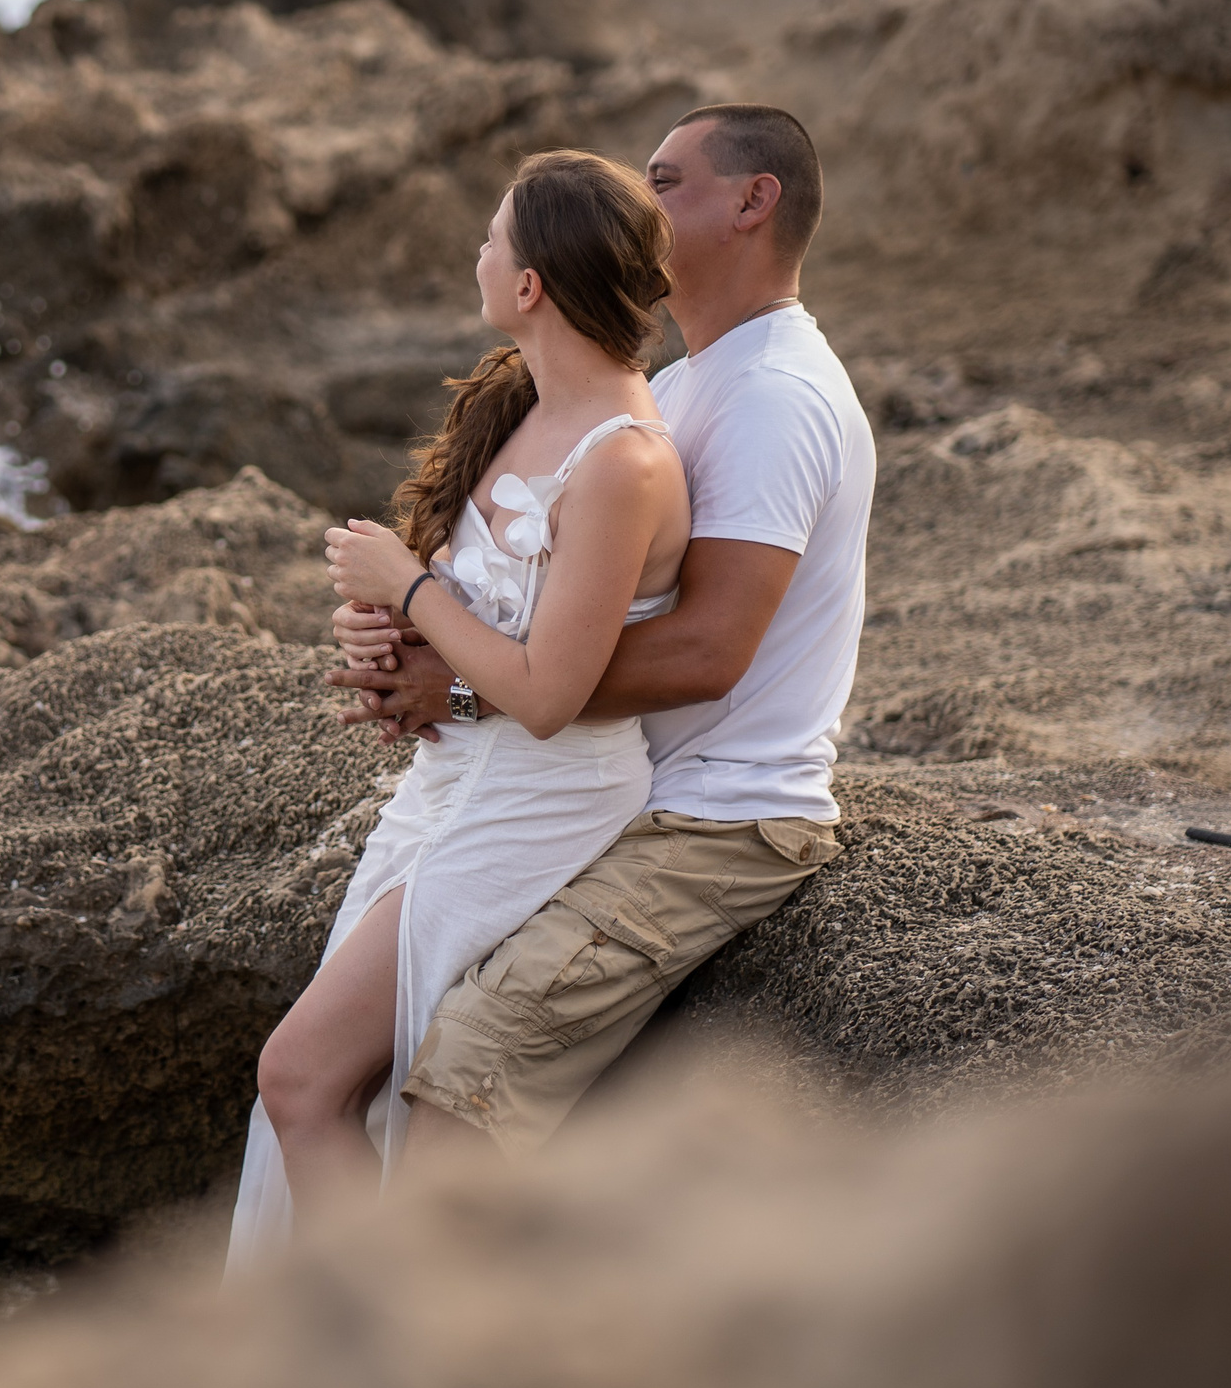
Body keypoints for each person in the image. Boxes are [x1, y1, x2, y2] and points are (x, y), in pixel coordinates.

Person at [326, 103, 876, 1172]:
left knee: (462, 1085)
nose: (641, 199)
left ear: (752, 203)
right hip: (618, 782)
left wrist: (469, 689)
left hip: (716, 815)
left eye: (666, 182)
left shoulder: (773, 393)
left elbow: (711, 651)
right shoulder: (682, 383)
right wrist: (413, 636)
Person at [228, 149, 693, 1272]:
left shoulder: (621, 462)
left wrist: (410, 587)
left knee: (297, 1076)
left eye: (491, 239)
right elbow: (475, 623)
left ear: (530, 282)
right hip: (446, 787)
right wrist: (380, 633)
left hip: (541, 799)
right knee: (341, 1084)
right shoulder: (519, 405)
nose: (476, 256)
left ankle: (389, 1354)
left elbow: (545, 694)